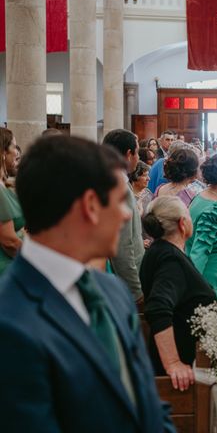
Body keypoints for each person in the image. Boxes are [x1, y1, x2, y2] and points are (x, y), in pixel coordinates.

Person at [0, 135, 175, 432]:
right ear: (90, 206)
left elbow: (147, 403)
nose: (127, 214)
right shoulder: (10, 323)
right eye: (120, 202)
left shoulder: (112, 291)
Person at [139, 197, 217, 403]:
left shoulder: (159, 250)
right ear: (183, 223)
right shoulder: (170, 260)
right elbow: (157, 306)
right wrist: (173, 362)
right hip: (190, 360)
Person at [186, 154, 217, 303]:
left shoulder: (201, 197)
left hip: (214, 279)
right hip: (209, 286)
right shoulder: (213, 210)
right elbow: (199, 253)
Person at [103, 129, 144, 303]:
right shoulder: (118, 187)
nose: (139, 158)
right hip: (123, 284)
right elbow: (123, 244)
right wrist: (135, 290)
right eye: (137, 153)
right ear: (128, 154)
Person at [0, 128, 23, 276]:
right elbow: (9, 242)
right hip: (7, 270)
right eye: (14, 146)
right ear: (3, 152)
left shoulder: (4, 185)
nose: (17, 152)